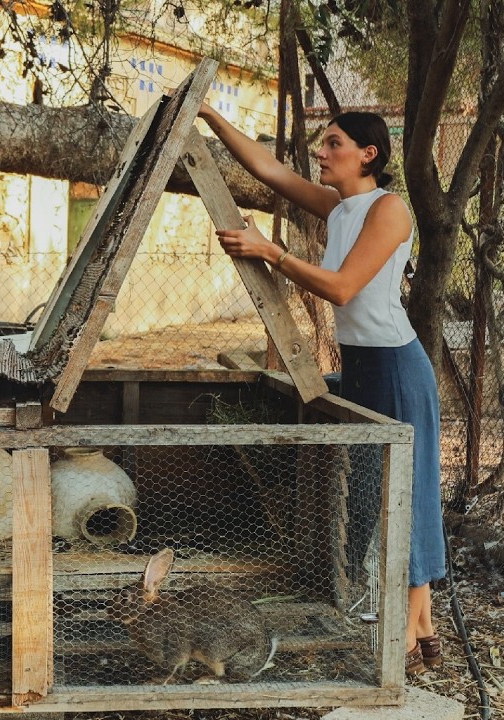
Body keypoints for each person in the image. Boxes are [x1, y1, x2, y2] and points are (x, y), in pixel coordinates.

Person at [196, 105, 448, 674]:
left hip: (396, 367)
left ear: (369, 154)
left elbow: (340, 288)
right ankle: (425, 627)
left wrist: (272, 252)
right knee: (383, 492)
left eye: (333, 143)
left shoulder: (389, 210)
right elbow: (269, 171)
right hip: (361, 366)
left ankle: (407, 632)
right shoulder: (340, 207)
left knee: (406, 496)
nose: (321, 151)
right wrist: (210, 115)